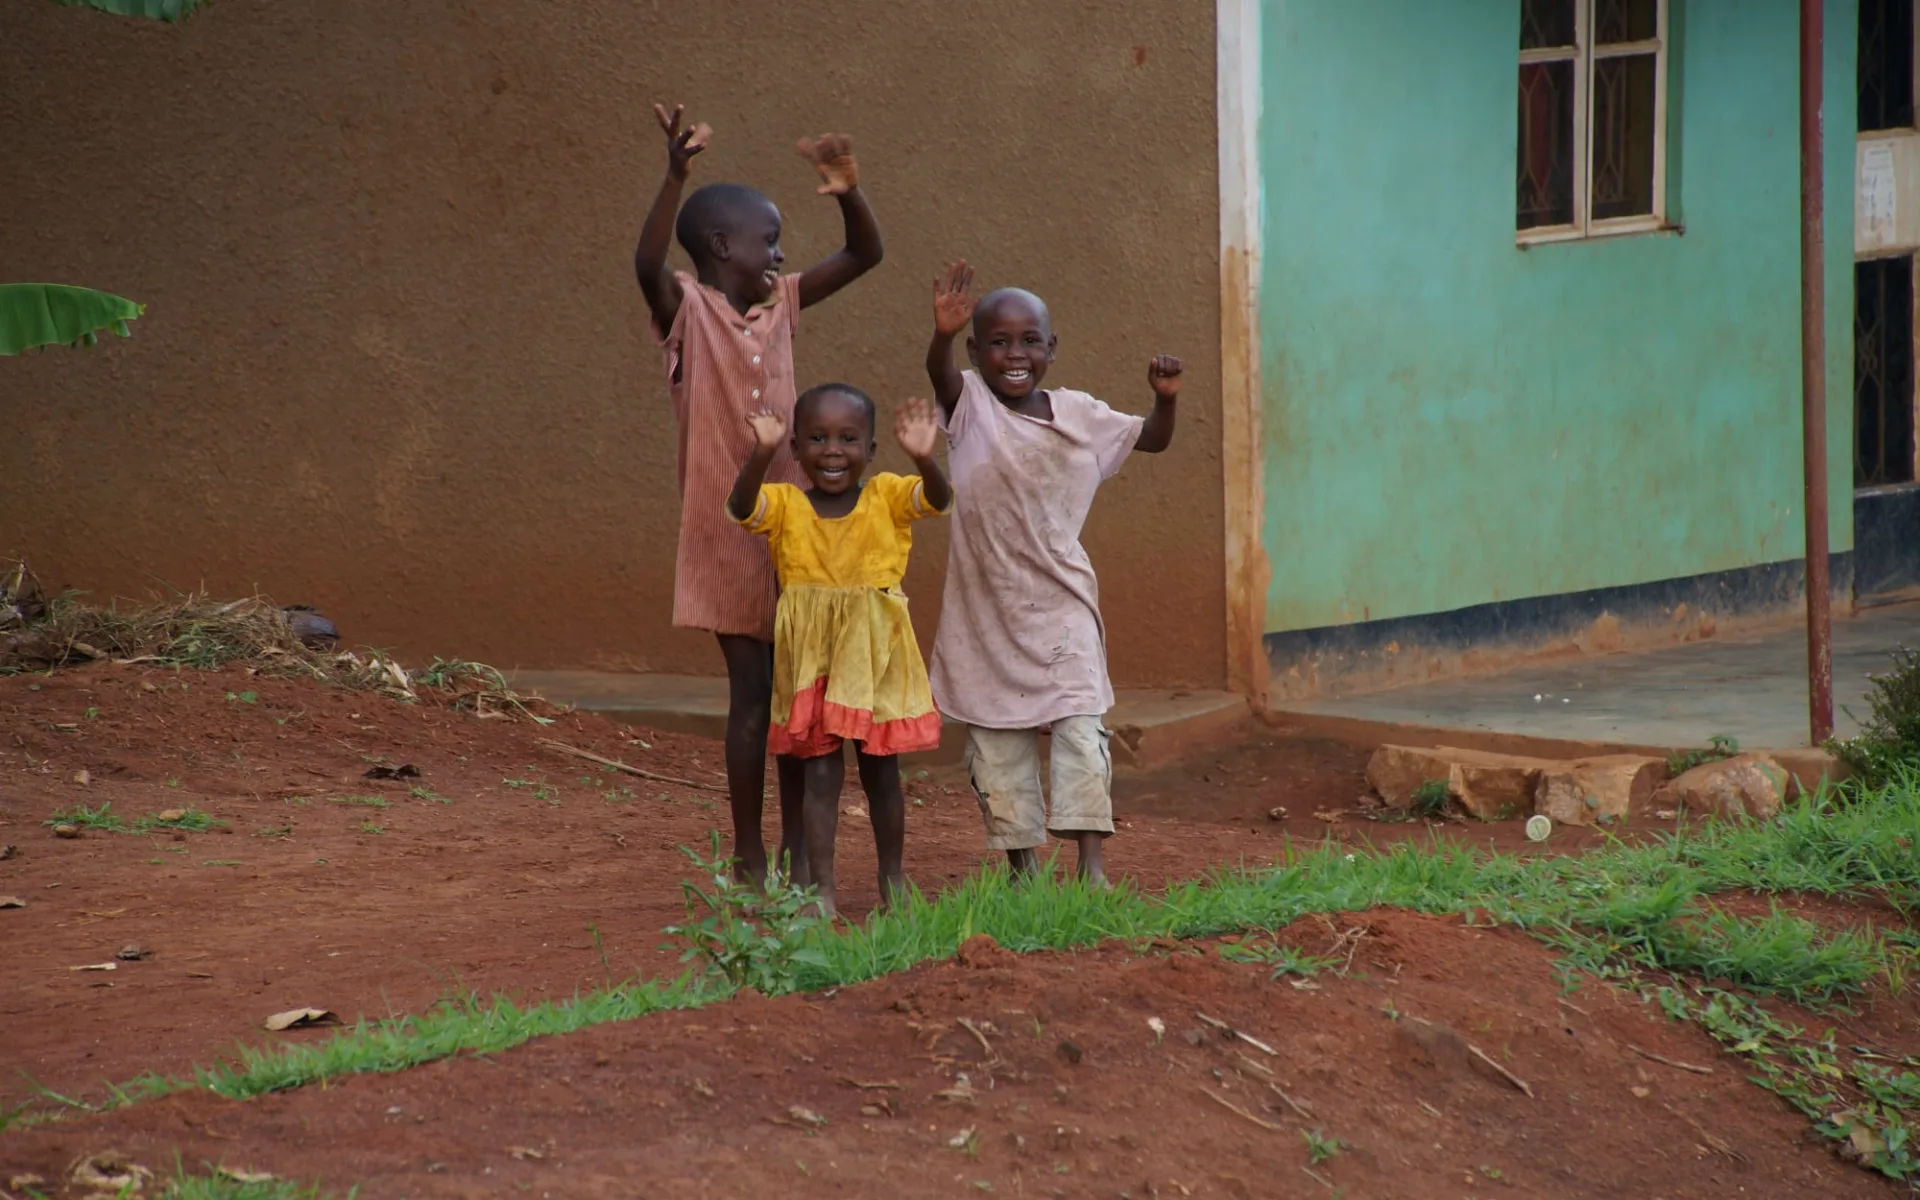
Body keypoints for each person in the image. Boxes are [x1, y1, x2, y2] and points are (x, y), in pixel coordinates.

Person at [633, 103, 884, 886]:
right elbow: (645, 265)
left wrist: (847, 189)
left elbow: (866, 254)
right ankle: (749, 851)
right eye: (768, 240)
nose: (779, 253)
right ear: (720, 247)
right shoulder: (687, 312)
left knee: (795, 691)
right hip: (722, 531)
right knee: (751, 692)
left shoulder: (784, 304)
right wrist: (675, 175)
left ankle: (797, 849)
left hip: (798, 532)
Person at [923, 261, 1182, 887]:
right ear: (975, 351)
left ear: (1052, 348)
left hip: (1062, 601)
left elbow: (1151, 438)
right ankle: (1023, 868)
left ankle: (1092, 868)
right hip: (986, 609)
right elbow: (940, 375)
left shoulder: (1080, 416)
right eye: (999, 342)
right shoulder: (968, 405)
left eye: (1030, 341)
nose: (1015, 355)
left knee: (1079, 728)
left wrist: (1164, 400)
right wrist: (937, 337)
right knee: (997, 739)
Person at [726, 384, 951, 917]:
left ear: (872, 450)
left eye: (849, 438)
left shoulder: (888, 496)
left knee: (882, 775)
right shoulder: (783, 503)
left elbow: (939, 500)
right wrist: (761, 451)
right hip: (814, 666)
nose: (832, 449)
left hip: (874, 663)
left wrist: (924, 456)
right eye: (817, 437)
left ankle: (892, 876)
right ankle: (821, 889)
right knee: (821, 776)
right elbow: (740, 508)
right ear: (797, 449)